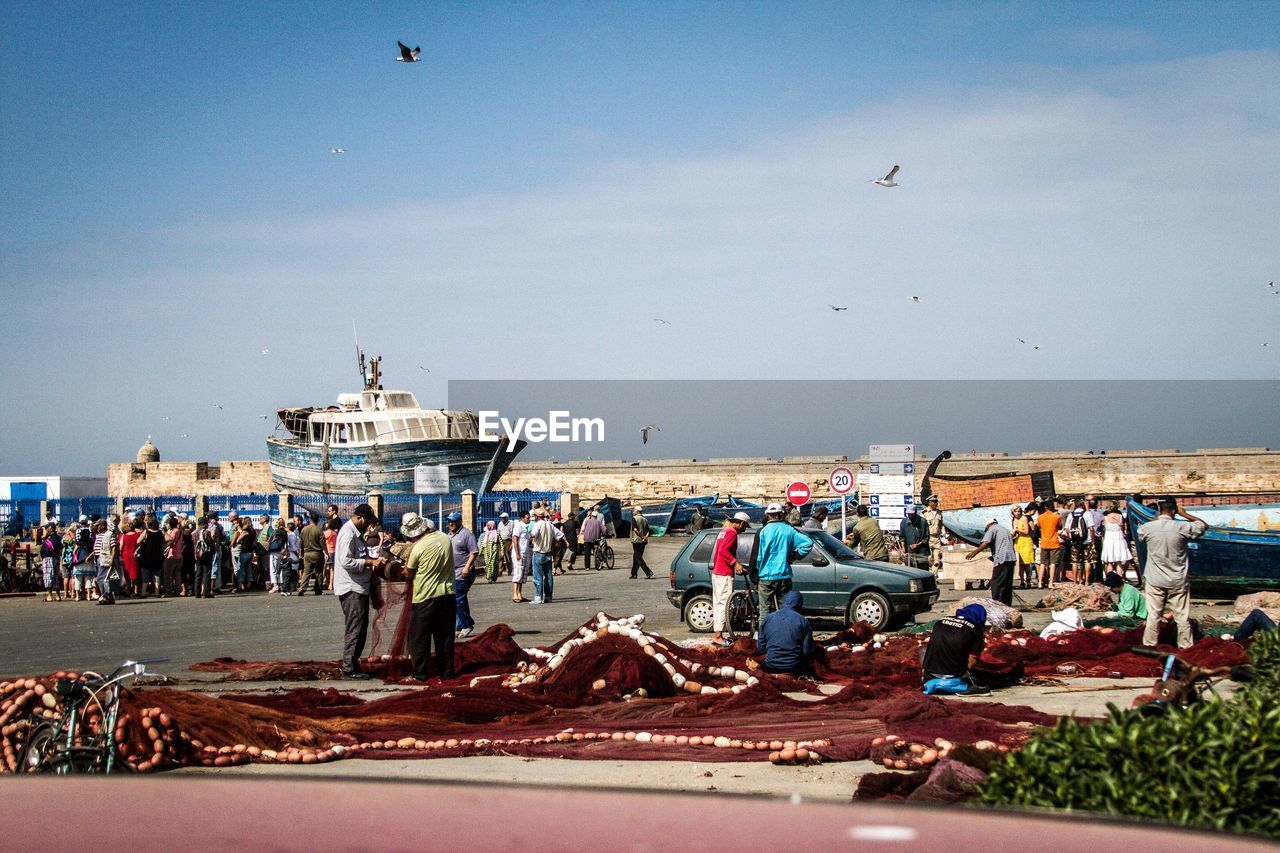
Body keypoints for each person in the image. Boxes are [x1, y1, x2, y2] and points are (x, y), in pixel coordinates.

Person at [1138, 498, 1207, 649]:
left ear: (1159, 510)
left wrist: (1158, 517)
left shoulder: (1148, 527)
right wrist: (1186, 514)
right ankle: (1185, 647)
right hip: (1177, 580)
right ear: (1174, 510)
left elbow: (1141, 533)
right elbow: (1203, 526)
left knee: (1154, 616)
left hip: (1155, 580)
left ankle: (1149, 646)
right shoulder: (1182, 527)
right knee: (1182, 617)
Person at [334, 504, 387, 678]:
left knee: (360, 628)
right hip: (351, 588)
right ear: (362, 518)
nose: (369, 526)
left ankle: (353, 665)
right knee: (355, 628)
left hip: (359, 587)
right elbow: (346, 561)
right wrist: (369, 563)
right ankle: (348, 669)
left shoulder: (356, 533)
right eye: (368, 522)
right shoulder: (348, 534)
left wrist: (372, 560)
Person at [401, 513, 456, 681]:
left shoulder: (418, 548)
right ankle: (447, 673)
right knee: (445, 638)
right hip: (447, 595)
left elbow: (408, 573)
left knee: (419, 639)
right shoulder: (445, 538)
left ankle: (420, 673)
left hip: (425, 598)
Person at [754, 503, 813, 624]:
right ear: (782, 515)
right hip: (784, 575)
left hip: (766, 576)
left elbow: (758, 557)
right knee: (786, 609)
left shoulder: (763, 532)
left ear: (768, 516)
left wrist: (756, 575)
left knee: (764, 610)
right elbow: (807, 543)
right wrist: (796, 555)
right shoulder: (789, 530)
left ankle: (764, 639)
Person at [920, 604, 987, 693]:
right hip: (954, 676)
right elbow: (971, 664)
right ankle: (956, 684)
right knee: (981, 677)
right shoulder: (976, 631)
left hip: (929, 675)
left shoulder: (940, 622)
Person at [711, 512, 750, 647]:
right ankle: (718, 636)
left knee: (718, 603)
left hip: (717, 571)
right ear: (741, 523)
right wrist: (735, 563)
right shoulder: (732, 532)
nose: (744, 530)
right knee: (724, 604)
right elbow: (723, 551)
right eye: (744, 526)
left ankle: (718, 634)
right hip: (724, 572)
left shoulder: (724, 531)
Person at [757, 590, 814, 674]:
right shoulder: (803, 621)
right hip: (794, 667)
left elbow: (761, 648)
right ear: (799, 604)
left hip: (771, 666)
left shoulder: (768, 618)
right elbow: (806, 651)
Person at [966, 518, 1017, 606]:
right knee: (1007, 584)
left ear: (988, 525)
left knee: (996, 583)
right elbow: (1004, 545)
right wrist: (993, 556)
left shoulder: (992, 529)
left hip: (1002, 560)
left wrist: (974, 553)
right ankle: (1007, 604)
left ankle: (996, 603)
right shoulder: (1004, 529)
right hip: (1011, 559)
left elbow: (986, 543)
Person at [446, 511, 478, 637]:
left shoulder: (467, 534)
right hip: (452, 572)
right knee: (455, 600)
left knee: (458, 598)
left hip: (463, 572)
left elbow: (474, 552)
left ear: (459, 521)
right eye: (449, 521)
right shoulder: (449, 535)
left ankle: (467, 624)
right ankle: (459, 627)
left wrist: (466, 567)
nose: (450, 523)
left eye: (453, 521)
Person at [528, 508, 564, 605]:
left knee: (538, 576)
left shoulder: (537, 525)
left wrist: (530, 536)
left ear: (536, 516)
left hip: (539, 552)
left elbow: (533, 535)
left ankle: (538, 597)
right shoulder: (549, 524)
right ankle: (548, 597)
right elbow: (560, 536)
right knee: (548, 576)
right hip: (548, 553)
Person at [1063, 499, 1093, 586]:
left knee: (1075, 562)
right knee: (1087, 561)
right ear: (1083, 505)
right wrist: (1092, 539)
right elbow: (1091, 528)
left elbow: (1067, 529)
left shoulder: (1071, 515)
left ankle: (1075, 582)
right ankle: (1086, 581)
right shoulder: (1087, 514)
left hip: (1075, 541)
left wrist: (1071, 538)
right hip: (1086, 540)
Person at [1100, 502, 1133, 579]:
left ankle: (1110, 581)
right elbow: (1124, 530)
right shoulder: (1120, 517)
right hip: (1119, 540)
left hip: (1109, 540)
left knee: (1110, 563)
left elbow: (1102, 529)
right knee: (1119, 563)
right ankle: (1120, 580)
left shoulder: (1105, 518)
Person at [297, 512, 327, 596]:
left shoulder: (304, 529)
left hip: (307, 554)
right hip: (317, 553)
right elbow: (323, 543)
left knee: (306, 572)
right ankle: (318, 590)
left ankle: (302, 588)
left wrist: (301, 553)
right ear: (317, 520)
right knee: (319, 572)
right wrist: (326, 552)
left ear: (310, 519)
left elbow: (301, 543)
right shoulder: (319, 530)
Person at [1036, 498, 1063, 589]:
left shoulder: (1040, 517)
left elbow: (1039, 526)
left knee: (1043, 563)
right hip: (1054, 542)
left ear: (1045, 507)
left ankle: (1040, 582)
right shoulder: (1056, 517)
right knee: (1053, 564)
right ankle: (1051, 582)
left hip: (1044, 542)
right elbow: (1060, 527)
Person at [94, 518, 119, 605]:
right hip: (98, 559)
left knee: (101, 579)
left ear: (103, 525)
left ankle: (104, 596)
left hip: (105, 559)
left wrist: (112, 559)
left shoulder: (109, 534)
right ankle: (109, 597)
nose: (97, 527)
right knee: (105, 579)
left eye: (98, 525)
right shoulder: (99, 535)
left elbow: (114, 547)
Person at [1010, 505, 1036, 589]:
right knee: (1019, 563)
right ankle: (1022, 581)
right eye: (1015, 511)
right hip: (1018, 541)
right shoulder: (1013, 519)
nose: (1017, 513)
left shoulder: (1024, 518)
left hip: (1026, 541)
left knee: (1026, 563)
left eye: (1018, 511)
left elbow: (1026, 531)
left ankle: (1028, 580)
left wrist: (1017, 530)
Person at [510, 509, 531, 602]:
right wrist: (517, 553)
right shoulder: (518, 526)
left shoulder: (526, 527)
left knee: (522, 575)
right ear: (522, 518)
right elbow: (514, 540)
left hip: (525, 553)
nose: (529, 519)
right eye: (527, 518)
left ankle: (519, 594)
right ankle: (515, 594)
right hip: (519, 553)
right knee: (518, 573)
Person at [192, 516, 216, 599]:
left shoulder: (194, 533)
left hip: (198, 554)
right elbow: (211, 543)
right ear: (205, 524)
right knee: (207, 573)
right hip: (206, 554)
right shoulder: (206, 532)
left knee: (198, 573)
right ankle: (206, 592)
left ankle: (197, 593)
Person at [921, 495, 945, 576]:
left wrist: (944, 534)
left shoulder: (939, 513)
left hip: (937, 538)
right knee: (929, 558)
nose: (935, 503)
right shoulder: (924, 513)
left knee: (937, 560)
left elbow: (941, 525)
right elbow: (922, 526)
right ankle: (928, 574)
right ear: (929, 502)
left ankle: (934, 576)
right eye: (934, 502)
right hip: (928, 538)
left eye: (936, 502)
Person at [629, 507, 654, 579]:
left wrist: (642, 537)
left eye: (634, 511)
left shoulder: (634, 518)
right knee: (636, 557)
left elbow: (635, 530)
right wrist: (645, 538)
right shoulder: (645, 519)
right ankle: (634, 574)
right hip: (643, 541)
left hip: (636, 540)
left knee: (638, 557)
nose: (633, 512)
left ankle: (648, 572)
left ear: (637, 511)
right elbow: (648, 531)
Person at [40, 524, 62, 602]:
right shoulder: (58, 538)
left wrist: (44, 537)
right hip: (56, 558)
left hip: (48, 558)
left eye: (46, 529)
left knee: (48, 577)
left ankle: (50, 595)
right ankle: (58, 595)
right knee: (56, 577)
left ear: (49, 529)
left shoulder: (49, 539)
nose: (45, 530)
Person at [118, 519, 140, 597]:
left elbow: (120, 547)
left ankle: (128, 590)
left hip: (126, 555)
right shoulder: (137, 535)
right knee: (135, 573)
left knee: (127, 573)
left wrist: (120, 553)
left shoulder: (124, 536)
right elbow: (139, 544)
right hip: (134, 555)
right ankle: (136, 590)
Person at [163, 516, 183, 597]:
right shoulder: (180, 531)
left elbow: (171, 540)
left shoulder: (174, 531)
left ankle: (169, 591)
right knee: (177, 574)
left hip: (172, 554)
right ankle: (177, 590)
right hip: (179, 554)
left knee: (168, 574)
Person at [323, 517, 340, 591]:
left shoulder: (326, 533)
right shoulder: (335, 533)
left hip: (326, 551)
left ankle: (322, 582)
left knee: (323, 568)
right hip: (334, 551)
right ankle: (331, 584)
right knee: (332, 569)